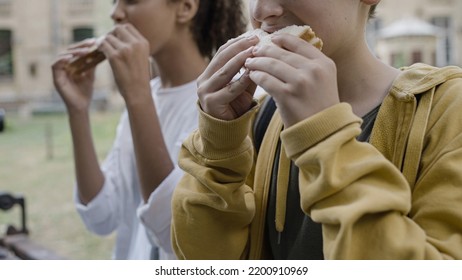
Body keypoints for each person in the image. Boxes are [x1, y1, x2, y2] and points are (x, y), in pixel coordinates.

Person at [171, 0, 462, 259]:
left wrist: (324, 137)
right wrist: (218, 151)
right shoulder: (258, 118)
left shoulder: (448, 110)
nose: (261, 12)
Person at [51, 0, 247, 260]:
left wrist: (136, 95)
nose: (115, 13)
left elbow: (176, 235)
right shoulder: (147, 97)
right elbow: (101, 216)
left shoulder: (226, 105)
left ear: (186, 7)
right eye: (114, 2)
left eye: (131, 1)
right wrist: (78, 111)